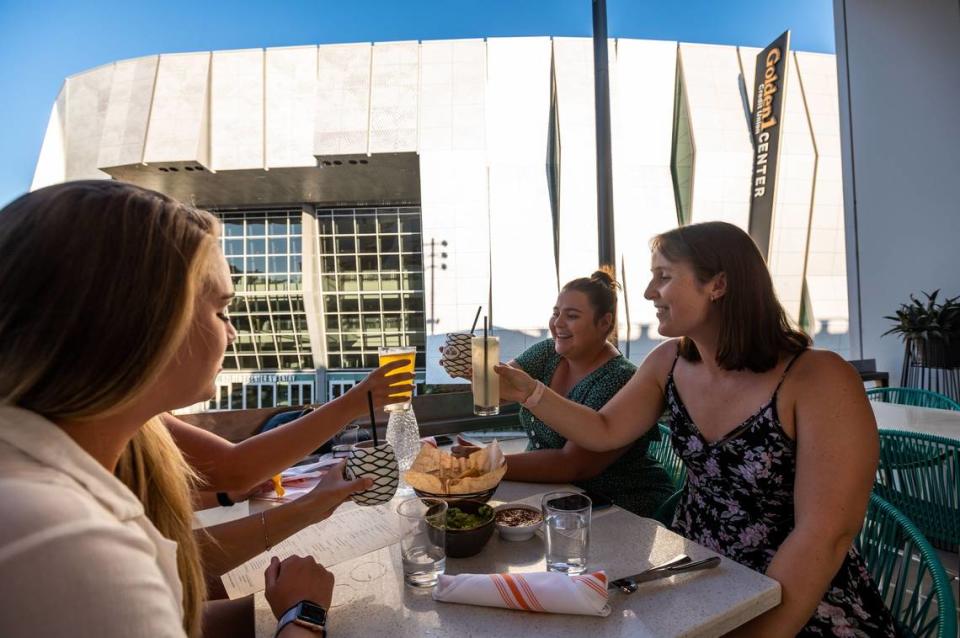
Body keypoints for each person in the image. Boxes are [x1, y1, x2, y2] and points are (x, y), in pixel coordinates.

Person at [494, 222, 896, 637]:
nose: (650, 293)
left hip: (792, 592)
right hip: (695, 567)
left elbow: (824, 535)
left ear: (717, 284)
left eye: (663, 277)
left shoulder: (819, 378)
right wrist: (530, 392)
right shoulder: (669, 361)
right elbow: (603, 429)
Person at [0, 181, 339, 638]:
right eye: (221, 311)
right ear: (147, 322)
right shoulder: (65, 542)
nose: (232, 334)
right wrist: (305, 618)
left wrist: (270, 613)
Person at [463, 271, 673, 516]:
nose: (558, 323)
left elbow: (573, 465)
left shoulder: (619, 377)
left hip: (617, 505)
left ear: (604, 322)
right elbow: (499, 392)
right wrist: (474, 370)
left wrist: (484, 463)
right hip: (554, 494)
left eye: (571, 316)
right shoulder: (548, 351)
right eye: (556, 313)